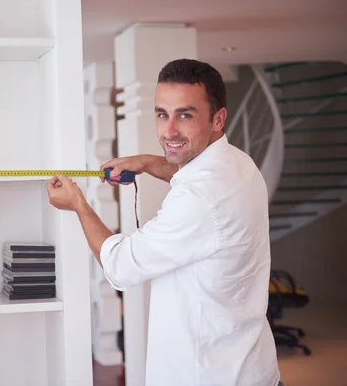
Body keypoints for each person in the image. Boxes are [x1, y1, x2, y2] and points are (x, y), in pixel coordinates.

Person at [47, 59, 281, 385]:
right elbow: (190, 176)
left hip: (205, 375)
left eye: (185, 115)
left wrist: (78, 205)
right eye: (162, 114)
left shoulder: (200, 198)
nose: (169, 130)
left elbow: (120, 266)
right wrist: (147, 163)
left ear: (218, 119)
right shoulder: (239, 164)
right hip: (249, 368)